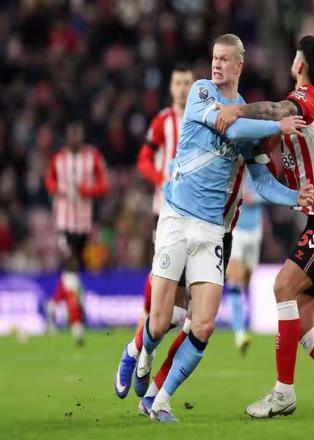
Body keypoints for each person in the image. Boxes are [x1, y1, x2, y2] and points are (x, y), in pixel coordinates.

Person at [136, 33, 310, 423]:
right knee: (164, 320)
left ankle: (159, 400)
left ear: (239, 65)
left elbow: (261, 180)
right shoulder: (201, 92)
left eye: (224, 59)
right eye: (214, 57)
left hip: (215, 229)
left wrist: (294, 196)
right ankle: (138, 353)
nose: (216, 64)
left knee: (202, 324)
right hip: (177, 218)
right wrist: (276, 125)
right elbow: (228, 128)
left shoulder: (247, 118)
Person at [215, 35, 314, 419]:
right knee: (302, 321)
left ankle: (283, 393)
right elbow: (270, 143)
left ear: (301, 64)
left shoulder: (304, 98)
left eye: (295, 55)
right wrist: (253, 149)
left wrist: (236, 111)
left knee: (282, 286)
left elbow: (273, 110)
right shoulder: (305, 111)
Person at [137, 151, 307, 417]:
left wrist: (271, 172)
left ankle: (153, 395)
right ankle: (140, 355)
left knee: (195, 325)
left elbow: (267, 179)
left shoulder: (252, 147)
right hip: (200, 228)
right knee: (180, 316)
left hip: (232, 232)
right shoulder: (214, 138)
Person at [115, 66, 194, 399]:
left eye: (187, 83)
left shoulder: (205, 119)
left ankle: (145, 349)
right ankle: (142, 349)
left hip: (198, 218)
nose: (182, 88)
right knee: (161, 281)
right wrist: (161, 178)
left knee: (185, 309)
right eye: (177, 83)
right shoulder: (163, 121)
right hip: (165, 213)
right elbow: (144, 159)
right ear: (171, 87)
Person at [44, 118, 109, 345]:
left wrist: (87, 190)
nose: (75, 138)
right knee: (71, 266)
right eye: (71, 134)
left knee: (71, 273)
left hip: (83, 224)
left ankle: (53, 306)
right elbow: (49, 181)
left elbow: (104, 185)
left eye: (78, 134)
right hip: (64, 224)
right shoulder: (58, 159)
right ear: (66, 137)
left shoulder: (93, 157)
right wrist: (57, 189)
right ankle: (77, 325)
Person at [225, 175, 265, 354]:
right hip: (236, 229)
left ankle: (248, 315)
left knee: (247, 279)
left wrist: (255, 197)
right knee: (235, 277)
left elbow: (272, 191)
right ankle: (239, 333)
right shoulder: (233, 165)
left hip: (255, 229)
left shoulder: (261, 165)